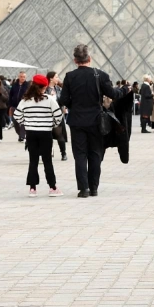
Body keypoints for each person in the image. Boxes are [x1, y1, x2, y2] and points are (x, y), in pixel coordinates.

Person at [58, 44, 124, 198]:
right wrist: (124, 90)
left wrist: (76, 106)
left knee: (80, 155)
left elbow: (64, 100)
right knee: (95, 153)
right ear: (89, 58)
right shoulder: (100, 75)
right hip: (96, 120)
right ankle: (94, 188)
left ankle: (83, 189)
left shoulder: (69, 76)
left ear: (75, 60)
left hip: (77, 121)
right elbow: (113, 94)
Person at [14, 74, 65, 197]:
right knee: (47, 160)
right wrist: (51, 124)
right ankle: (52, 187)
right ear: (44, 87)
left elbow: (16, 116)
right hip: (45, 133)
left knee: (33, 160)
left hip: (31, 133)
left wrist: (26, 123)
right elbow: (58, 116)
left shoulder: (25, 100)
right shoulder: (49, 99)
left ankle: (32, 188)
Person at [45, 70, 68, 161]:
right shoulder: (44, 89)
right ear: (51, 79)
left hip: (57, 115)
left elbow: (62, 101)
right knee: (48, 135)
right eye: (56, 77)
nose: (58, 79)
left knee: (59, 134)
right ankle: (49, 152)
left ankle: (63, 152)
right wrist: (49, 96)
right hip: (47, 115)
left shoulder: (59, 89)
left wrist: (64, 107)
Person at [8, 72, 29, 142]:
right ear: (18, 77)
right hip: (14, 106)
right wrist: (10, 105)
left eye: (23, 77)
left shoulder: (28, 85)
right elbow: (10, 95)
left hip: (24, 106)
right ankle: (20, 134)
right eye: (21, 76)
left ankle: (22, 136)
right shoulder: (14, 85)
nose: (22, 78)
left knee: (23, 121)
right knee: (15, 121)